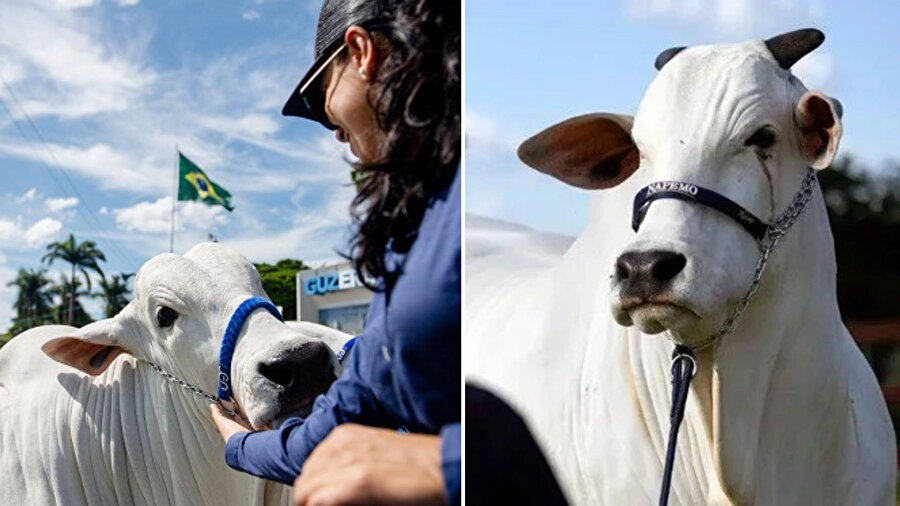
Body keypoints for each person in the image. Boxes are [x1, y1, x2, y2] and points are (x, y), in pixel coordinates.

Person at [209, 0, 461, 504]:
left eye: (327, 107)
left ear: (360, 52)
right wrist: (240, 445)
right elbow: (333, 430)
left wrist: (444, 465)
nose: (340, 135)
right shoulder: (413, 235)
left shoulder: (445, 214)